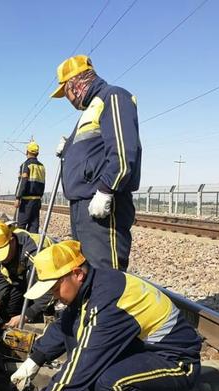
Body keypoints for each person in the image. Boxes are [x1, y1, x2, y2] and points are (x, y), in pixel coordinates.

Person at [6, 241, 201, 391]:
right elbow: (66, 325)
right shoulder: (94, 285)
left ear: (77, 274)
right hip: (146, 351)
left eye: (55, 288)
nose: (54, 296)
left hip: (178, 363)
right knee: (77, 332)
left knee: (107, 382)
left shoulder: (108, 303)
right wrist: (35, 359)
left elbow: (84, 362)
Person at [51, 55, 141, 271]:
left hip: (102, 205)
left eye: (66, 93)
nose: (68, 99)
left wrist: (106, 189)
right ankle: (90, 306)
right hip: (83, 206)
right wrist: (70, 146)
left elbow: (124, 149)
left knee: (105, 272)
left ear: (75, 84)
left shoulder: (113, 96)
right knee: (87, 270)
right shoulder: (91, 108)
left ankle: (107, 306)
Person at [0, 222, 53, 328]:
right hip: (21, 278)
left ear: (12, 241)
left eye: (3, 253)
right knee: (6, 309)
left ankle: (46, 318)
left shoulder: (35, 252)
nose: (1, 259)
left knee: (37, 301)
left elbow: (49, 288)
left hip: (47, 278)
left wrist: (28, 314)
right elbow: (1, 277)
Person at [14, 141, 46, 233]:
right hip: (37, 200)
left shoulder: (26, 164)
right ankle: (32, 246)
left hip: (26, 201)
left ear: (26, 152)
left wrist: (18, 197)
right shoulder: (42, 166)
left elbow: (22, 182)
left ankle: (20, 246)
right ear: (37, 153)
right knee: (34, 225)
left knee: (21, 226)